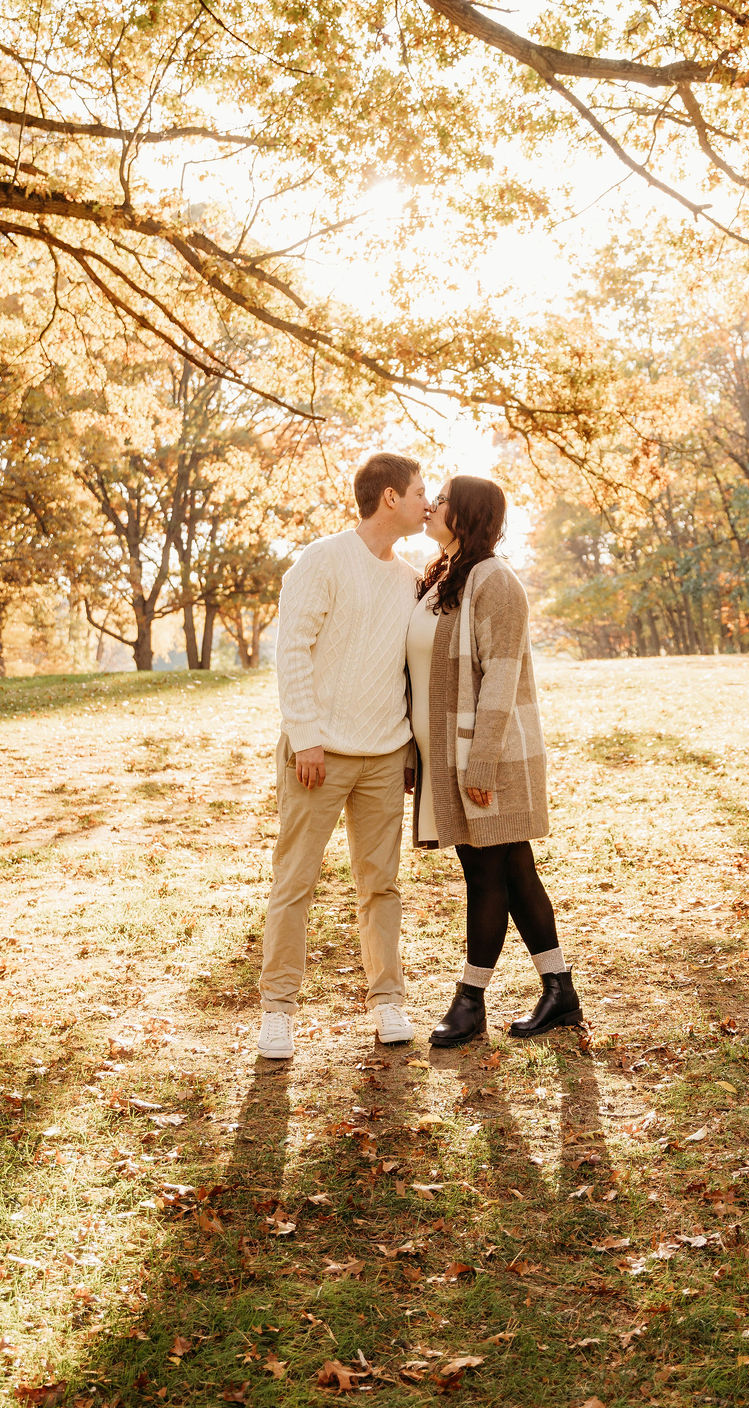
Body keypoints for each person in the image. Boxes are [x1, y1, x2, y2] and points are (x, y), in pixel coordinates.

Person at [257, 453, 429, 1059]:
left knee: (381, 885)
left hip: (384, 756)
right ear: (389, 498)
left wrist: (407, 747)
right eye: (418, 493)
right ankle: (277, 1010)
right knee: (295, 881)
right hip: (318, 754)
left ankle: (388, 1003)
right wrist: (305, 734)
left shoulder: (411, 580)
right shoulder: (322, 558)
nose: (426, 504)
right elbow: (293, 650)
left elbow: (406, 671)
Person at [406, 474, 582, 1047]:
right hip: (449, 755)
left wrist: (479, 764)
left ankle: (470, 1000)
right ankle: (559, 991)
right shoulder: (441, 578)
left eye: (444, 501)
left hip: (490, 756)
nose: (431, 506)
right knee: (513, 869)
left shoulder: (495, 580)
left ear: (469, 514)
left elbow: (500, 678)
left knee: (486, 873)